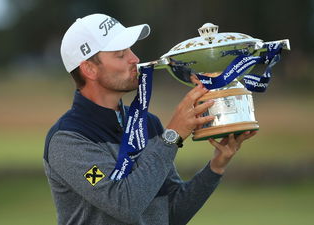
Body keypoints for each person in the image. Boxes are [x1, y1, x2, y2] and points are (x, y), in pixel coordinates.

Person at [43, 13, 257, 225]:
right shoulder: (67, 140)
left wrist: (216, 166)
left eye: (130, 50)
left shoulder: (148, 123)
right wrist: (172, 136)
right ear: (89, 69)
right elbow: (124, 205)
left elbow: (171, 214)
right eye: (120, 54)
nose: (134, 59)